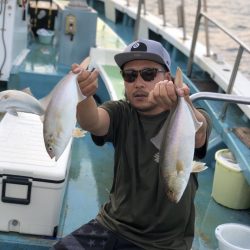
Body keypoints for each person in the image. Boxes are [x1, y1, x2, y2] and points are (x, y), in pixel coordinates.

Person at [52, 39, 211, 250]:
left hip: (165, 244)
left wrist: (183, 101)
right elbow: (92, 122)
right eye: (130, 75)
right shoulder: (121, 113)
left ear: (167, 78)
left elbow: (199, 135)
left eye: (148, 74)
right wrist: (83, 94)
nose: (138, 83)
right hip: (112, 226)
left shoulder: (191, 118)